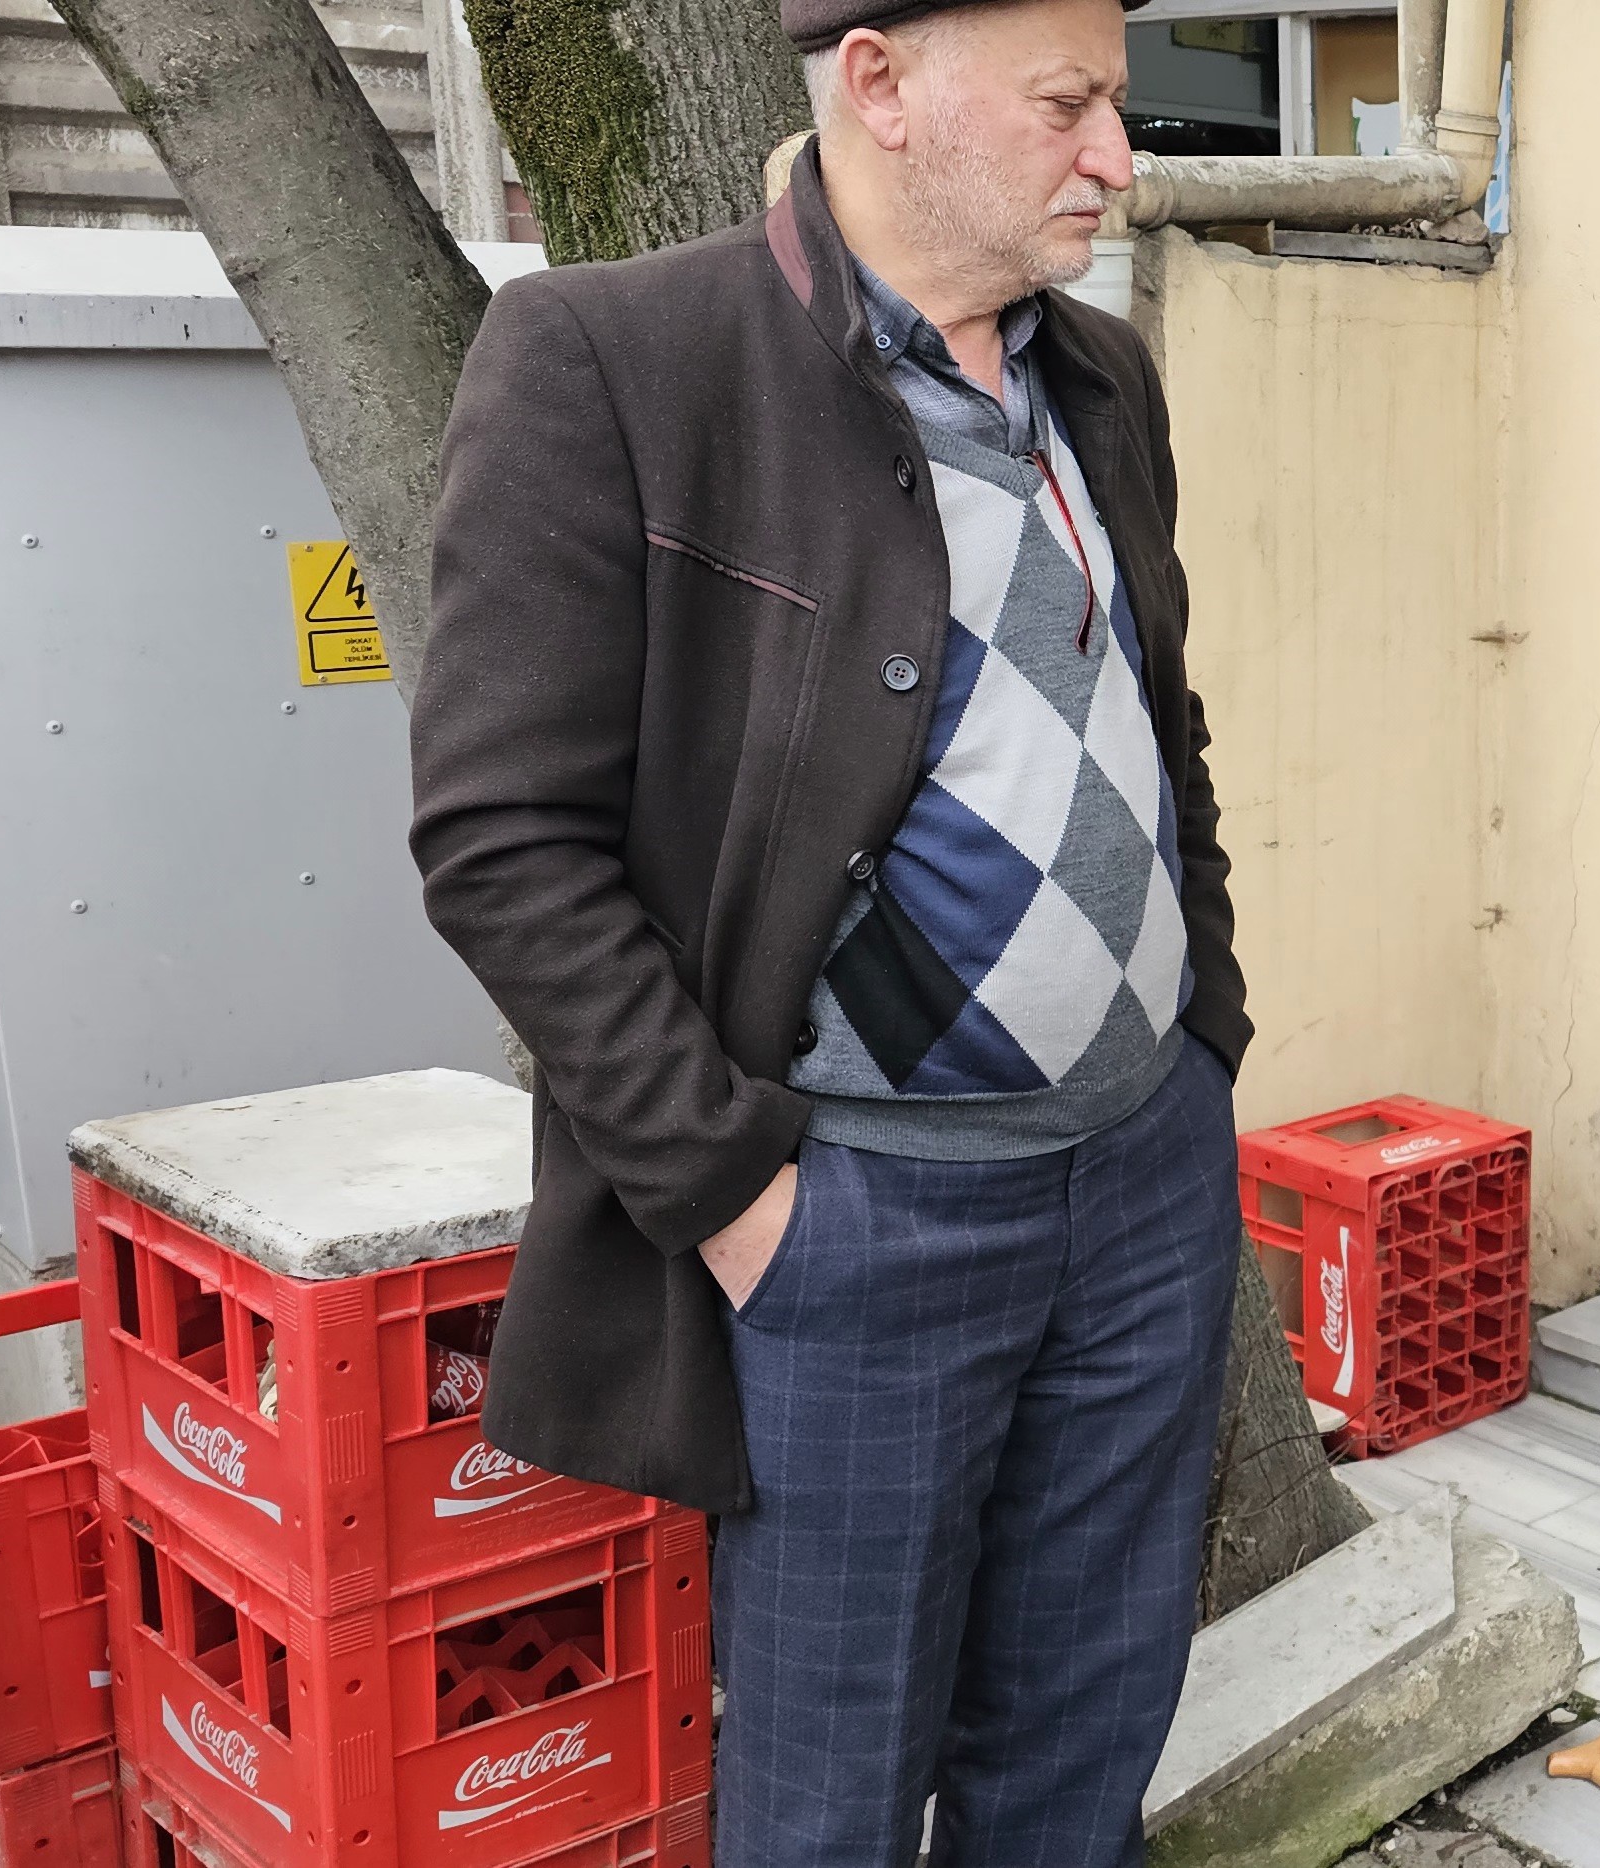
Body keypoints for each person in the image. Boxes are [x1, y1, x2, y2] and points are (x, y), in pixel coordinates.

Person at [408, 2, 1256, 1862]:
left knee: (1085, 1739)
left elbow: (1154, 713)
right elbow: (500, 839)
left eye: (1112, 102)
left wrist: (1211, 1040)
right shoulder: (619, 361)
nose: (1117, 153)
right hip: (859, 1218)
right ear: (880, 82)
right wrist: (739, 1199)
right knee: (830, 1794)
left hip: (1143, 1184)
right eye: (1071, 104)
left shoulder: (1099, 375)